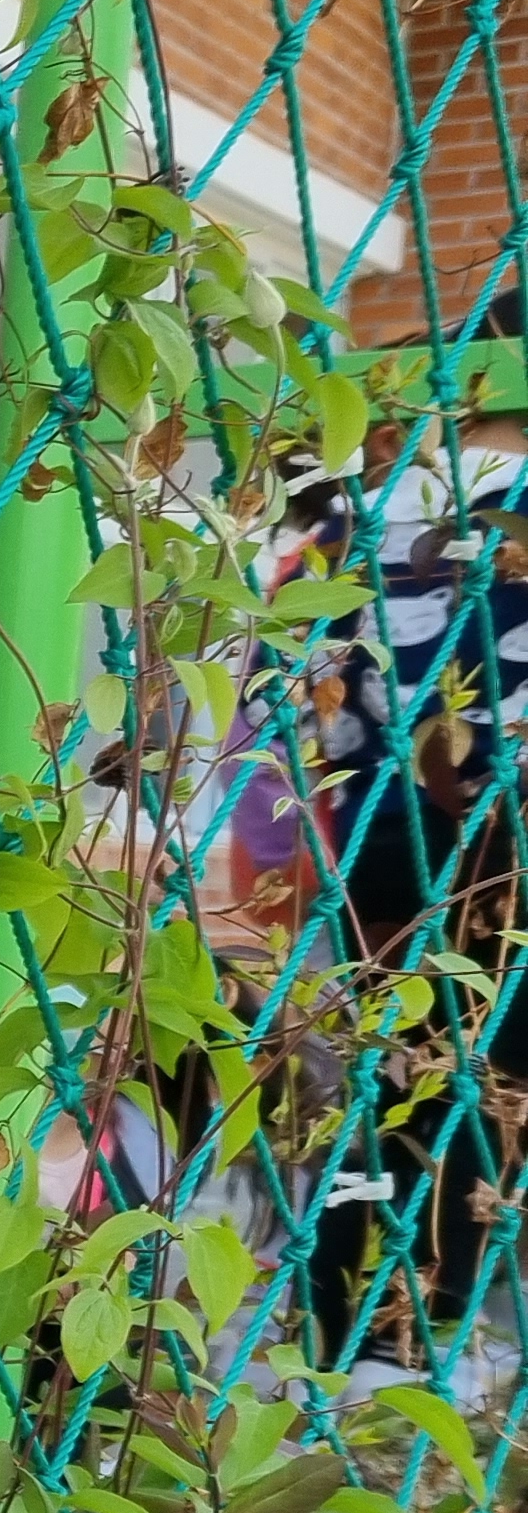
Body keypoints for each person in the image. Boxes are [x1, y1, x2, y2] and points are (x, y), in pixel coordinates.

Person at [306, 286, 528, 1377]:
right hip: (489, 848)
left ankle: (356, 1321)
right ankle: (427, 1323)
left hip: (384, 837)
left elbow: (318, 690)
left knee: (387, 1086)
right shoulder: (496, 510)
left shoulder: (381, 507)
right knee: (485, 1097)